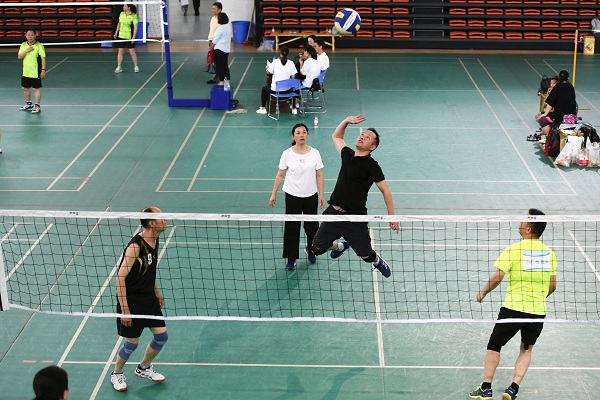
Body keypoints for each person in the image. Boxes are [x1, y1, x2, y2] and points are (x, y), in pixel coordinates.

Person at [469, 208, 557, 400]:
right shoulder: (549, 253)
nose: (520, 222)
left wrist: (483, 292)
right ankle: (513, 388)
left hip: (513, 308)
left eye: (523, 221)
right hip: (537, 311)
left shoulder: (514, 249)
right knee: (526, 349)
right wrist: (538, 298)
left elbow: (498, 276)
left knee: (494, 345)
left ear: (528, 229)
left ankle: (486, 388)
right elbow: (552, 286)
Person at [310, 115, 399, 278]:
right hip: (334, 213)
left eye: (368, 137)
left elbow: (385, 191)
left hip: (355, 218)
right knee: (317, 248)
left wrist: (391, 216)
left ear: (372, 147)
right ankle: (341, 247)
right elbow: (337, 136)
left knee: (366, 255)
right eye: (362, 134)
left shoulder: (372, 166)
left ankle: (377, 260)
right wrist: (345, 121)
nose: (362, 137)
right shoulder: (347, 154)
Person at [110, 206, 169, 392]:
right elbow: (120, 278)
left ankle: (143, 367)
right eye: (161, 217)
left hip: (148, 297)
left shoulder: (155, 239)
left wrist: (156, 291)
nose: (165, 219)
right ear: (152, 223)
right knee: (131, 343)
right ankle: (117, 373)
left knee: (161, 336)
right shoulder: (136, 246)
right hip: (132, 300)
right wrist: (125, 310)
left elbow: (149, 270)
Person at [270, 123, 325, 270]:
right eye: (298, 132)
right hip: (292, 195)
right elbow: (280, 174)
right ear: (293, 136)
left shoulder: (315, 153)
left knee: (312, 227)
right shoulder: (287, 154)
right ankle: (291, 258)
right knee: (292, 228)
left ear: (308, 135)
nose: (301, 135)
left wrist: (321, 194)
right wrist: (274, 193)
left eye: (304, 132)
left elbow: (319, 175)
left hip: (311, 195)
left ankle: (311, 250)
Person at [536, 69, 577, 141]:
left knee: (541, 120)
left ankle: (550, 140)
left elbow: (550, 103)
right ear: (568, 78)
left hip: (559, 117)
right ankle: (545, 134)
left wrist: (545, 114)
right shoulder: (571, 87)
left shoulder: (557, 87)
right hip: (571, 116)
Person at [257, 46, 298, 115]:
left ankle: (263, 109)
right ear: (287, 54)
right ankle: (294, 108)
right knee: (293, 88)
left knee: (264, 89)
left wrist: (267, 68)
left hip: (275, 91)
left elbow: (268, 72)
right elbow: (293, 77)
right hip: (287, 91)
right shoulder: (291, 63)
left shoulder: (275, 62)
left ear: (280, 54)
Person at [18, 29, 46, 114]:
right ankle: (28, 104)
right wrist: (27, 50)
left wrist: (43, 70)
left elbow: (43, 58)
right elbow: (19, 56)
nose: (30, 36)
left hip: (35, 72)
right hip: (25, 71)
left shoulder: (39, 46)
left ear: (35, 36)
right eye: (28, 35)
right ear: (26, 36)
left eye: (32, 35)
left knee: (36, 89)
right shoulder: (23, 45)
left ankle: (37, 106)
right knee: (25, 88)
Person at [528, 76, 557, 142]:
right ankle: (540, 133)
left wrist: (545, 113)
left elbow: (551, 104)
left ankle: (549, 139)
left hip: (555, 114)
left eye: (554, 83)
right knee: (538, 115)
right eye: (551, 83)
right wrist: (548, 93)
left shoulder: (556, 92)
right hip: (552, 112)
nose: (552, 85)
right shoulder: (550, 90)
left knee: (541, 119)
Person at [113, 4, 139, 74]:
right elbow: (119, 24)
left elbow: (135, 27)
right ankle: (119, 67)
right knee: (120, 52)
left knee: (132, 53)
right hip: (121, 36)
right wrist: (116, 33)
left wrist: (133, 37)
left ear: (129, 7)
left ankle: (136, 66)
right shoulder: (121, 14)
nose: (123, 7)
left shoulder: (134, 16)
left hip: (129, 37)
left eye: (125, 6)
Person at [211, 12, 232, 86]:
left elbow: (215, 39)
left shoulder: (220, 28)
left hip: (219, 49)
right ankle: (228, 80)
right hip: (226, 49)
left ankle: (221, 81)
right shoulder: (228, 27)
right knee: (225, 66)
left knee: (220, 66)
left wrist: (212, 45)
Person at [206, 2, 223, 84]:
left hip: (217, 42)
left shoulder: (221, 20)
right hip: (211, 41)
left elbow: (220, 32)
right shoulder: (213, 18)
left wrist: (215, 42)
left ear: (219, 10)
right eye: (212, 8)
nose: (212, 10)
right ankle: (215, 78)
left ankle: (222, 77)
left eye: (214, 9)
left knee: (220, 61)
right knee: (213, 60)